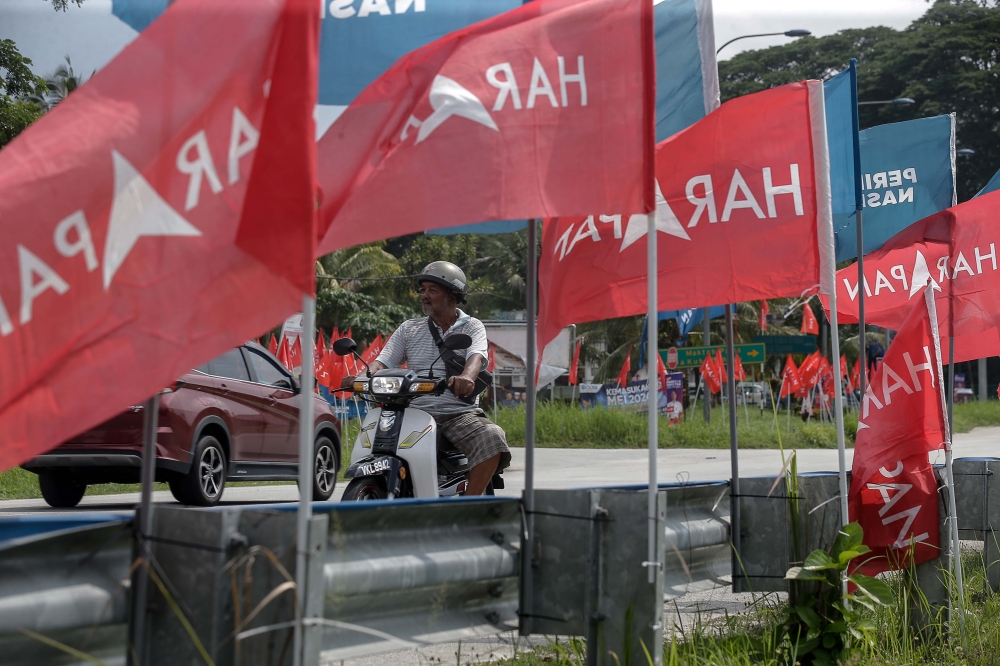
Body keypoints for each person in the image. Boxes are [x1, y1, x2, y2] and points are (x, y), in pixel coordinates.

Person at [367, 261, 510, 495]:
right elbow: (382, 362)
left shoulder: (472, 326)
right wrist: (362, 376)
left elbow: (476, 356)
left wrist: (466, 376)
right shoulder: (408, 329)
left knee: (492, 436)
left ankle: (468, 504)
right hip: (413, 413)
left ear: (452, 297)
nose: (425, 296)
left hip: (457, 414)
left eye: (432, 291)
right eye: (423, 290)